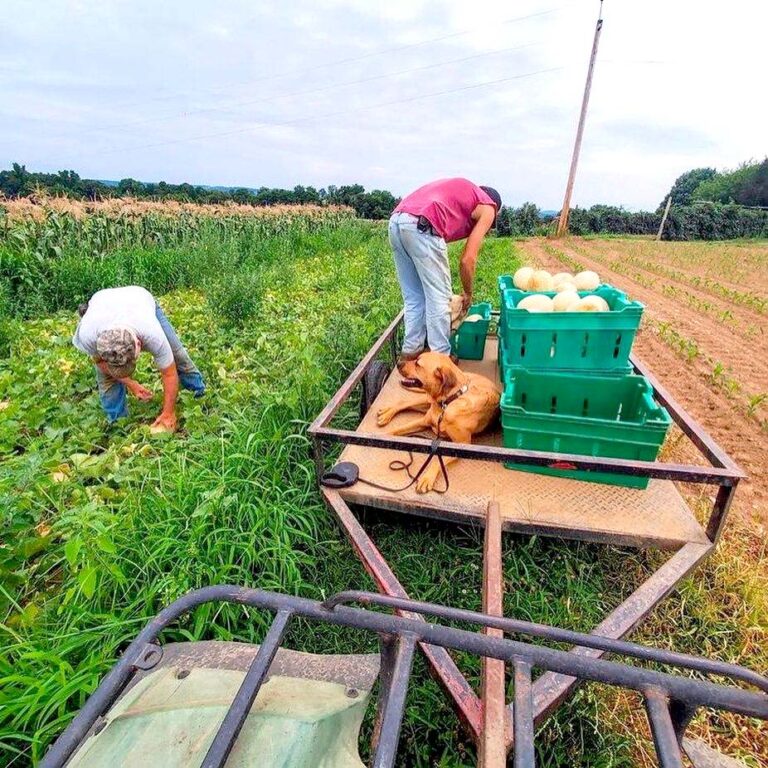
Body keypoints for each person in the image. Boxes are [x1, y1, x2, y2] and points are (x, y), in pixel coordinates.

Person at [388, 178, 501, 361]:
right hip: (422, 224)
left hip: (396, 221)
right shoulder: (489, 207)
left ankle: (411, 353)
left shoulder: (462, 194)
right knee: (440, 299)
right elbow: (467, 260)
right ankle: (440, 358)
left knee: (414, 298)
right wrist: (468, 293)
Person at [73, 286, 205, 431]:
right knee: (106, 378)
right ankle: (118, 425)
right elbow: (100, 363)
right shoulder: (89, 335)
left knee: (177, 354)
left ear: (139, 344)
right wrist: (132, 384)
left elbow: (169, 373)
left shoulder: (152, 334)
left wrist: (168, 413)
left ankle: (198, 394)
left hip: (139, 297)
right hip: (102, 303)